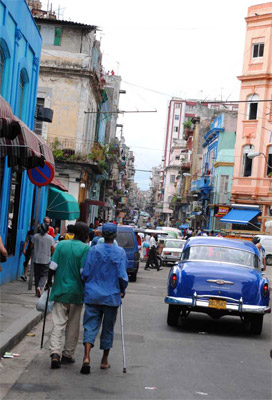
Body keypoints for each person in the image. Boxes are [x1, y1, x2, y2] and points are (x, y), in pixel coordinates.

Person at [80, 223, 128, 374]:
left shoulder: (93, 250)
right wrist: (122, 289)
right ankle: (104, 360)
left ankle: (86, 357)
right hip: (111, 296)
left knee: (90, 325)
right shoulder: (120, 252)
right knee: (108, 328)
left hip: (93, 294)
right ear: (114, 236)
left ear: (102, 235)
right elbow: (122, 275)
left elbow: (85, 272)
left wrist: (86, 284)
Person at [46, 222, 90, 369]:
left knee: (58, 324)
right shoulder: (85, 249)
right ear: (84, 235)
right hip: (76, 293)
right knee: (73, 325)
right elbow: (84, 272)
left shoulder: (62, 245)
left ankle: (54, 353)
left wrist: (48, 283)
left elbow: (52, 266)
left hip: (60, 291)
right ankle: (67, 354)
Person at [32, 223, 55, 297]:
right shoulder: (50, 238)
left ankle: (36, 290)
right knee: (44, 275)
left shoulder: (35, 237)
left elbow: (32, 246)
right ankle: (40, 287)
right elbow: (52, 249)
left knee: (37, 275)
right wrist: (49, 254)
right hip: (46, 259)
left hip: (36, 259)